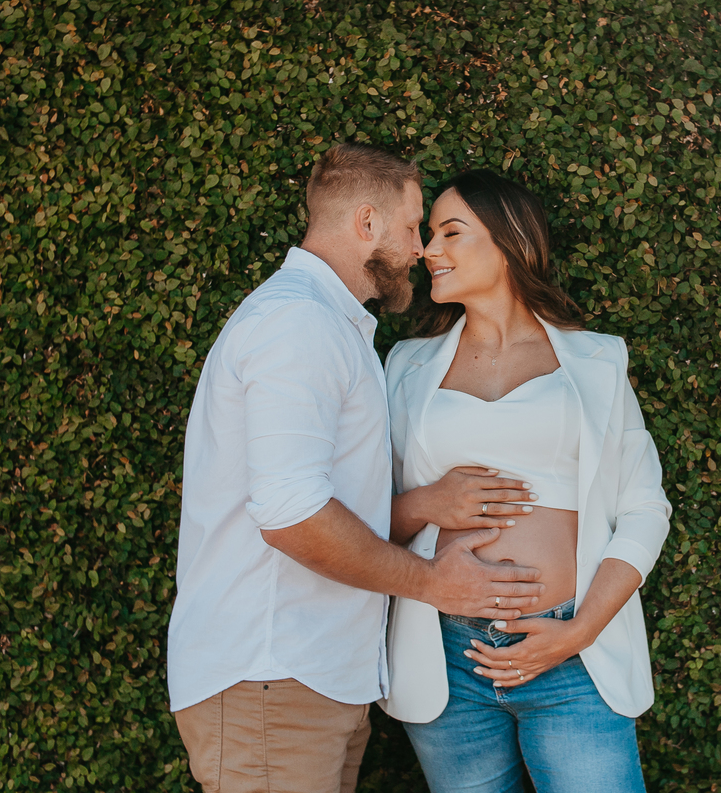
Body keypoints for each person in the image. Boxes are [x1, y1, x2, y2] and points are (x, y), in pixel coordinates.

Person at [166, 145, 545, 793]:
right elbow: (292, 516)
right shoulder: (297, 324)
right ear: (365, 224)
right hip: (271, 680)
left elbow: (327, 507)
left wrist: (424, 505)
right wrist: (432, 584)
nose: (419, 249)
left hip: (310, 684)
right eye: (409, 226)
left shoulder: (334, 329)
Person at [381, 169, 671, 792]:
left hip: (573, 656)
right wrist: (427, 503)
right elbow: (366, 521)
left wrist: (579, 630)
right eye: (429, 235)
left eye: (450, 232)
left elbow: (645, 508)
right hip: (447, 657)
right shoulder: (405, 367)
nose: (428, 250)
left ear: (510, 240)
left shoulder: (596, 360)